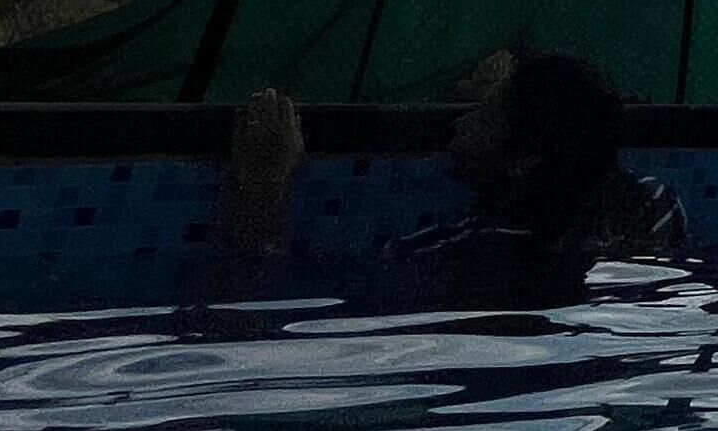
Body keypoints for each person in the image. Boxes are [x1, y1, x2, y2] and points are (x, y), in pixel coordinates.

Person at [216, 52, 688, 300]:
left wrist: (263, 186)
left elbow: (260, 288)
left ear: (523, 157)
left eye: (482, 115)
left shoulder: (454, 254)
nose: (459, 124)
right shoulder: (653, 206)